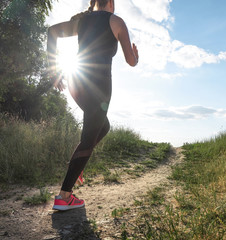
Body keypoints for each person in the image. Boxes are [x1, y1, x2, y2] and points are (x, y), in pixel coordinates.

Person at [47, 0, 138, 211]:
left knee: (103, 127)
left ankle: (79, 163)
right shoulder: (116, 21)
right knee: (88, 139)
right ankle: (64, 196)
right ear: (111, 3)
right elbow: (131, 61)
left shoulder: (82, 21)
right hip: (98, 87)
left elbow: (51, 31)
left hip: (76, 82)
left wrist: (53, 68)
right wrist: (136, 57)